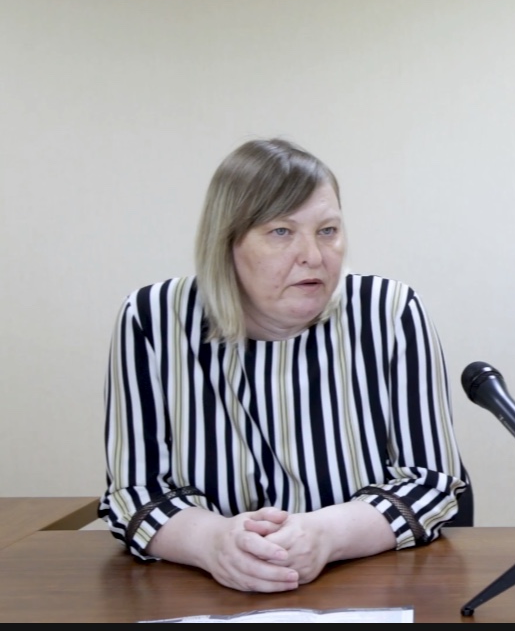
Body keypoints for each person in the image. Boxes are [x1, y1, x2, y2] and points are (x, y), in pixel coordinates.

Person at [99, 139, 468, 593]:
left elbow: (432, 483)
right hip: (203, 591)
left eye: (328, 230)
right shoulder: (151, 319)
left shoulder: (389, 312)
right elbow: (133, 492)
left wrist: (326, 535)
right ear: (226, 243)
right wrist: (211, 542)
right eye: (281, 232)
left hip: (362, 584)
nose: (313, 255)